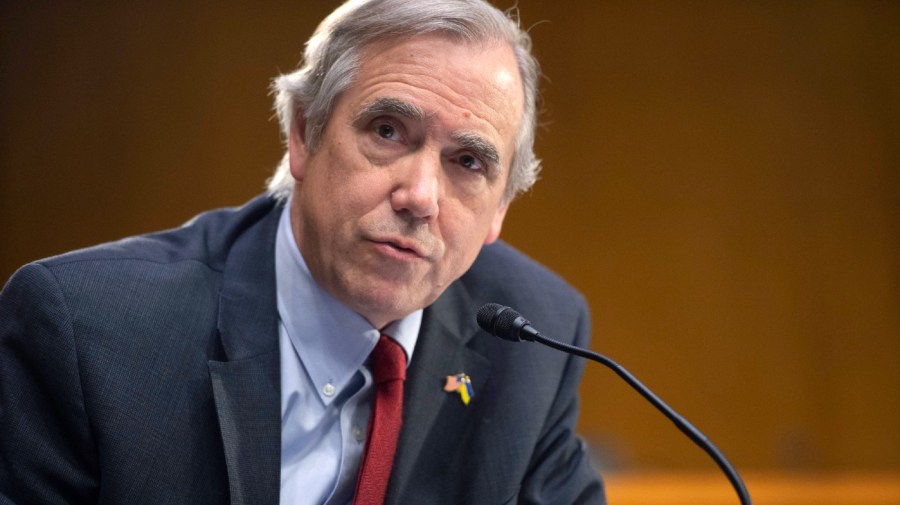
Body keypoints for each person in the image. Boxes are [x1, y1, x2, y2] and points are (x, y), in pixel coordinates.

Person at [0, 0, 605, 503]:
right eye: (388, 131)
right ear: (303, 133)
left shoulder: (536, 338)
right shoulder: (87, 333)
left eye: (468, 161)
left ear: (500, 208)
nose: (420, 196)